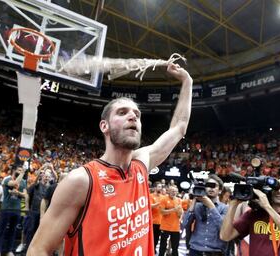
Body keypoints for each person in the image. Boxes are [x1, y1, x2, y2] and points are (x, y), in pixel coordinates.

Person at [27, 63, 193, 256]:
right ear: (104, 126)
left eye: (137, 115)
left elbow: (180, 127)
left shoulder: (141, 164)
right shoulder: (81, 180)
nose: (132, 116)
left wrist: (187, 81)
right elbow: (38, 249)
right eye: (122, 113)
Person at [220, 175, 280, 256]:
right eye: (277, 188)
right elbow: (226, 236)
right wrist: (233, 205)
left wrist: (268, 207)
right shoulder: (254, 214)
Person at [183, 174, 228, 256]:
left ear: (220, 190)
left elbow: (223, 228)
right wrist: (194, 201)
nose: (211, 188)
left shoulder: (225, 208)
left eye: (214, 186)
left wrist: (211, 206)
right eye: (208, 185)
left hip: (215, 251)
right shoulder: (197, 206)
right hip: (195, 250)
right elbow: (185, 224)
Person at [158, 186, 183, 256]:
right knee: (163, 245)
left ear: (177, 192)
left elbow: (179, 214)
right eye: (172, 191)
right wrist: (174, 210)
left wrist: (179, 212)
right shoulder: (164, 199)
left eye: (175, 191)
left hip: (175, 227)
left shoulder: (179, 200)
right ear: (168, 191)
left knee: (175, 246)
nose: (173, 192)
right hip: (165, 226)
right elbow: (162, 212)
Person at [150, 181, 163, 253]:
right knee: (151, 237)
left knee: (157, 237)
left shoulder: (163, 196)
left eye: (161, 187)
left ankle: (154, 248)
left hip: (161, 221)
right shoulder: (150, 196)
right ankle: (150, 249)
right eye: (159, 187)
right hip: (152, 221)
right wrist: (158, 203)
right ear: (155, 188)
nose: (160, 188)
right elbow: (150, 206)